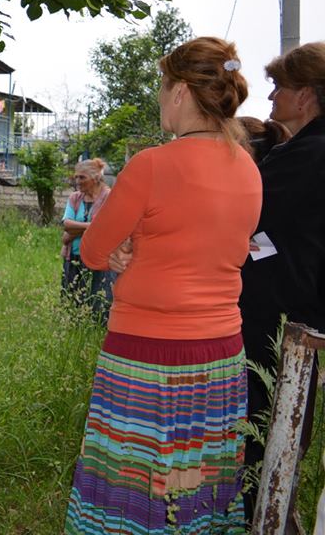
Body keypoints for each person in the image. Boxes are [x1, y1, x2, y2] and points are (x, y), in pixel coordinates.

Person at [65, 37, 261, 533]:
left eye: (161, 85)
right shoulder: (249, 168)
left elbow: (91, 251)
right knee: (199, 477)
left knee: (135, 476)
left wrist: (120, 246)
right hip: (221, 354)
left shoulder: (152, 164)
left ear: (179, 92)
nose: (159, 97)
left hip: (147, 354)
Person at [239, 42, 325, 516]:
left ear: (306, 95)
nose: (272, 97)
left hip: (283, 315)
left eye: (279, 87)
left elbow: (246, 217)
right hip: (301, 311)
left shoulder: (306, 154)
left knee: (268, 424)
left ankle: (262, 514)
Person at [60, 158, 115, 324]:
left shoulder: (110, 197)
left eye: (82, 177)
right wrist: (92, 226)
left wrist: (74, 230)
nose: (77, 181)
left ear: (95, 178)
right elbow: (66, 225)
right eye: (76, 177)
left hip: (100, 259)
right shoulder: (75, 198)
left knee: (98, 303)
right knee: (72, 301)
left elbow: (107, 229)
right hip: (74, 257)